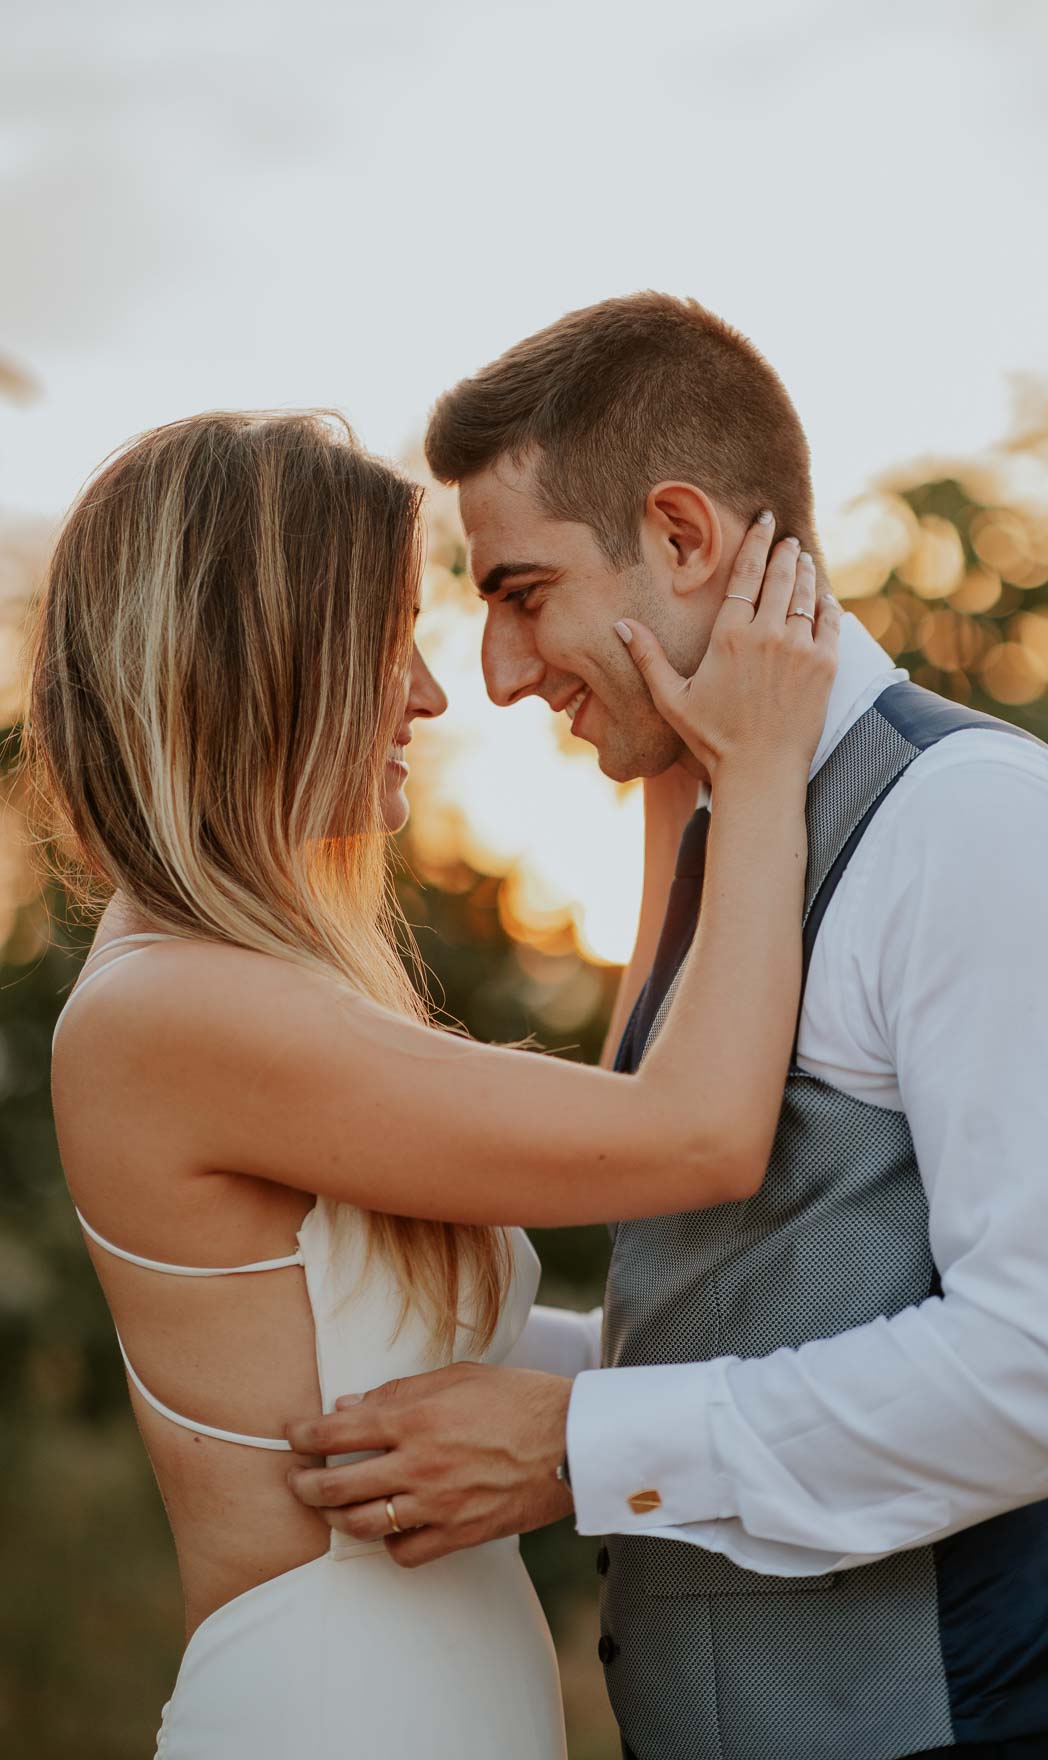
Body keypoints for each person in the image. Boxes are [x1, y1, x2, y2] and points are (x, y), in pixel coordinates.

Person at [290, 295, 1048, 1760]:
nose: (502, 674)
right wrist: (494, 1384)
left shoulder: (975, 826)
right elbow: (759, 1297)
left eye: (521, 592)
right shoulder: (718, 836)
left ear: (684, 539)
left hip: (1016, 1718)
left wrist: (574, 1449)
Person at [28, 406, 839, 1758]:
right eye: (385, 639)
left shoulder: (238, 988)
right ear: (261, 660)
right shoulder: (177, 1010)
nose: (427, 692)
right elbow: (692, 1134)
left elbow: (621, 1121)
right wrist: (755, 780)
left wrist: (663, 778)